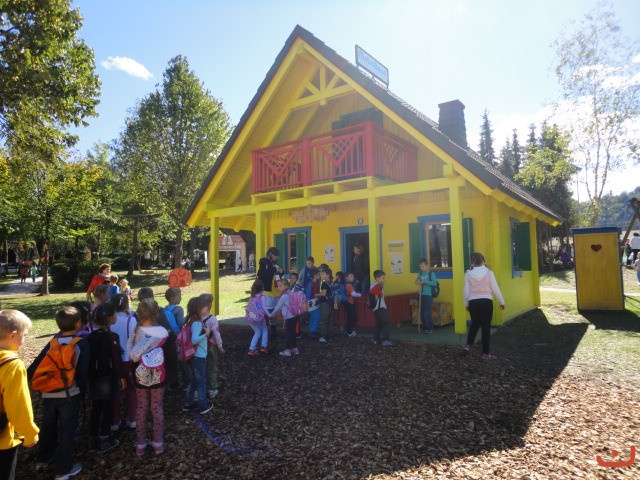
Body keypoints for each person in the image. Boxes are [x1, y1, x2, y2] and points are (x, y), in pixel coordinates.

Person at [28, 306, 88, 480]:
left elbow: (34, 368)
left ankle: (44, 458)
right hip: (70, 394)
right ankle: (63, 469)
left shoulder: (52, 343)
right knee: (67, 430)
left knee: (48, 426)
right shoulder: (81, 343)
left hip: (48, 393)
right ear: (78, 323)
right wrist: (83, 390)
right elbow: (83, 372)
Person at [0, 310, 39, 480]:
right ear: (13, 335)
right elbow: (18, 405)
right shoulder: (12, 365)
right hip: (2, 440)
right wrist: (29, 434)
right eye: (24, 335)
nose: (24, 340)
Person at [128, 299, 169, 456]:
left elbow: (130, 352)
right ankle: (158, 443)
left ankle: (141, 444)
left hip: (140, 375)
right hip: (159, 375)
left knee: (141, 408)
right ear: (156, 313)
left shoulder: (136, 331)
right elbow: (169, 355)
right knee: (157, 408)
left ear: (139, 313)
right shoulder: (163, 332)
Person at [86, 304, 124, 454]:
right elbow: (116, 359)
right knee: (108, 409)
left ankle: (93, 438)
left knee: (95, 408)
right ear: (109, 318)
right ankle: (104, 438)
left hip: (94, 378)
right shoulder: (112, 337)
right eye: (114, 315)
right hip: (108, 377)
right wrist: (122, 377)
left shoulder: (90, 337)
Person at [463, 252, 505, 360]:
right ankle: (485, 353)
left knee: (474, 324)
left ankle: (468, 344)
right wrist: (501, 301)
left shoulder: (468, 274)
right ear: (483, 261)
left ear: (472, 262)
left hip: (473, 302)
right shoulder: (489, 273)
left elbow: (466, 291)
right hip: (486, 302)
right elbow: (495, 288)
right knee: (485, 327)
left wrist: (466, 303)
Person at [138, 287, 179, 391]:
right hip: (162, 346)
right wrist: (173, 339)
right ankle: (170, 384)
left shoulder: (138, 314)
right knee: (168, 364)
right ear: (152, 297)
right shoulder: (158, 312)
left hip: (147, 348)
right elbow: (167, 328)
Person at [109, 294, 137, 432]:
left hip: (113, 360)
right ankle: (133, 419)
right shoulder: (130, 320)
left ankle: (115, 420)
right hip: (128, 359)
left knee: (115, 391)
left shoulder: (109, 320)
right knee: (131, 390)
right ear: (126, 304)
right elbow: (134, 338)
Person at [182, 297, 214, 415]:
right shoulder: (196, 323)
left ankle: (188, 403)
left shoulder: (193, 321)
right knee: (201, 381)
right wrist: (206, 334)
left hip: (194, 356)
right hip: (198, 356)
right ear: (198, 308)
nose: (207, 307)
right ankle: (203, 405)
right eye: (205, 306)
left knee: (195, 380)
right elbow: (194, 340)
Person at [200, 294, 224, 401]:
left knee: (200, 367)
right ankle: (212, 388)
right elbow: (216, 334)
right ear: (210, 304)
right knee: (211, 366)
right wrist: (220, 346)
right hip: (209, 345)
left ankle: (200, 388)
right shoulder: (212, 319)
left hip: (198, 346)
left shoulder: (195, 318)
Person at [164, 288, 188, 389]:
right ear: (172, 298)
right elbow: (181, 323)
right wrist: (188, 318)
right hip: (178, 338)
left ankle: (173, 383)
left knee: (171, 361)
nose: (180, 298)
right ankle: (187, 382)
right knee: (182, 360)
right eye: (179, 297)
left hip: (168, 338)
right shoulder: (178, 309)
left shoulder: (164, 309)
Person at [257, 247, 284, 336]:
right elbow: (262, 275)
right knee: (269, 310)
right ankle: (265, 328)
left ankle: (273, 328)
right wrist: (274, 269)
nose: (277, 258)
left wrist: (281, 272)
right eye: (276, 256)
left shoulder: (274, 263)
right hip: (269, 291)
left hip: (276, 290)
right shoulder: (263, 262)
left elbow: (277, 275)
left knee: (275, 310)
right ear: (271, 255)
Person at [270, 279, 300, 357]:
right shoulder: (291, 292)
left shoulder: (284, 296)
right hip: (296, 315)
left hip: (289, 317)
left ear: (286, 286)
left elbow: (278, 307)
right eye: (278, 286)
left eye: (280, 286)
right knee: (293, 332)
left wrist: (271, 315)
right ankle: (295, 349)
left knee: (288, 334)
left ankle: (287, 350)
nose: (278, 288)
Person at [245, 280, 269, 356]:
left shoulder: (252, 297)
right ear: (262, 288)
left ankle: (252, 349)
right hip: (259, 318)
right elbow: (264, 308)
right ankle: (263, 347)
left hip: (251, 318)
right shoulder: (262, 297)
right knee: (264, 330)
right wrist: (270, 315)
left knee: (257, 332)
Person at [415, 259, 438, 334]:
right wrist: (417, 282)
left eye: (423, 266)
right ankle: (424, 328)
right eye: (420, 266)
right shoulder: (420, 273)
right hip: (421, 294)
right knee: (421, 312)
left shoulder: (431, 273)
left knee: (426, 312)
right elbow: (416, 282)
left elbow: (434, 283)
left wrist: (425, 281)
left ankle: (430, 328)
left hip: (428, 295)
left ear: (427, 266)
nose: (421, 268)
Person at [370, 270, 392, 347]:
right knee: (385, 323)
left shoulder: (372, 284)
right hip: (380, 307)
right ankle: (385, 340)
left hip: (375, 308)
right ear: (377, 278)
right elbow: (372, 291)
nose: (384, 279)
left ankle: (376, 339)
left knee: (378, 324)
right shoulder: (378, 285)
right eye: (383, 278)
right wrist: (380, 293)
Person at [315, 268, 333, 343]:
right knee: (330, 321)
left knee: (324, 320)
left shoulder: (324, 283)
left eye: (323, 274)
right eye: (320, 274)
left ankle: (323, 337)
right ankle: (330, 336)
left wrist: (317, 294)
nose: (321, 276)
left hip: (325, 303)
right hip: (331, 303)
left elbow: (324, 293)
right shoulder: (332, 283)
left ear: (328, 275)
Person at [343, 271, 361, 337]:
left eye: (353, 276)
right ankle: (349, 332)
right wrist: (361, 295)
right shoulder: (349, 285)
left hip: (347, 302)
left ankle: (349, 330)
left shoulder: (347, 284)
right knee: (350, 317)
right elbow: (353, 294)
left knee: (350, 317)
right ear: (346, 277)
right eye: (350, 276)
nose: (352, 278)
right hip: (349, 303)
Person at [307, 269, 321, 337]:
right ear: (315, 275)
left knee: (313, 317)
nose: (320, 275)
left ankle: (311, 330)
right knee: (317, 317)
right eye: (318, 274)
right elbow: (314, 294)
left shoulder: (311, 283)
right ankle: (312, 331)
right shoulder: (314, 284)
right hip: (314, 301)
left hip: (311, 301)